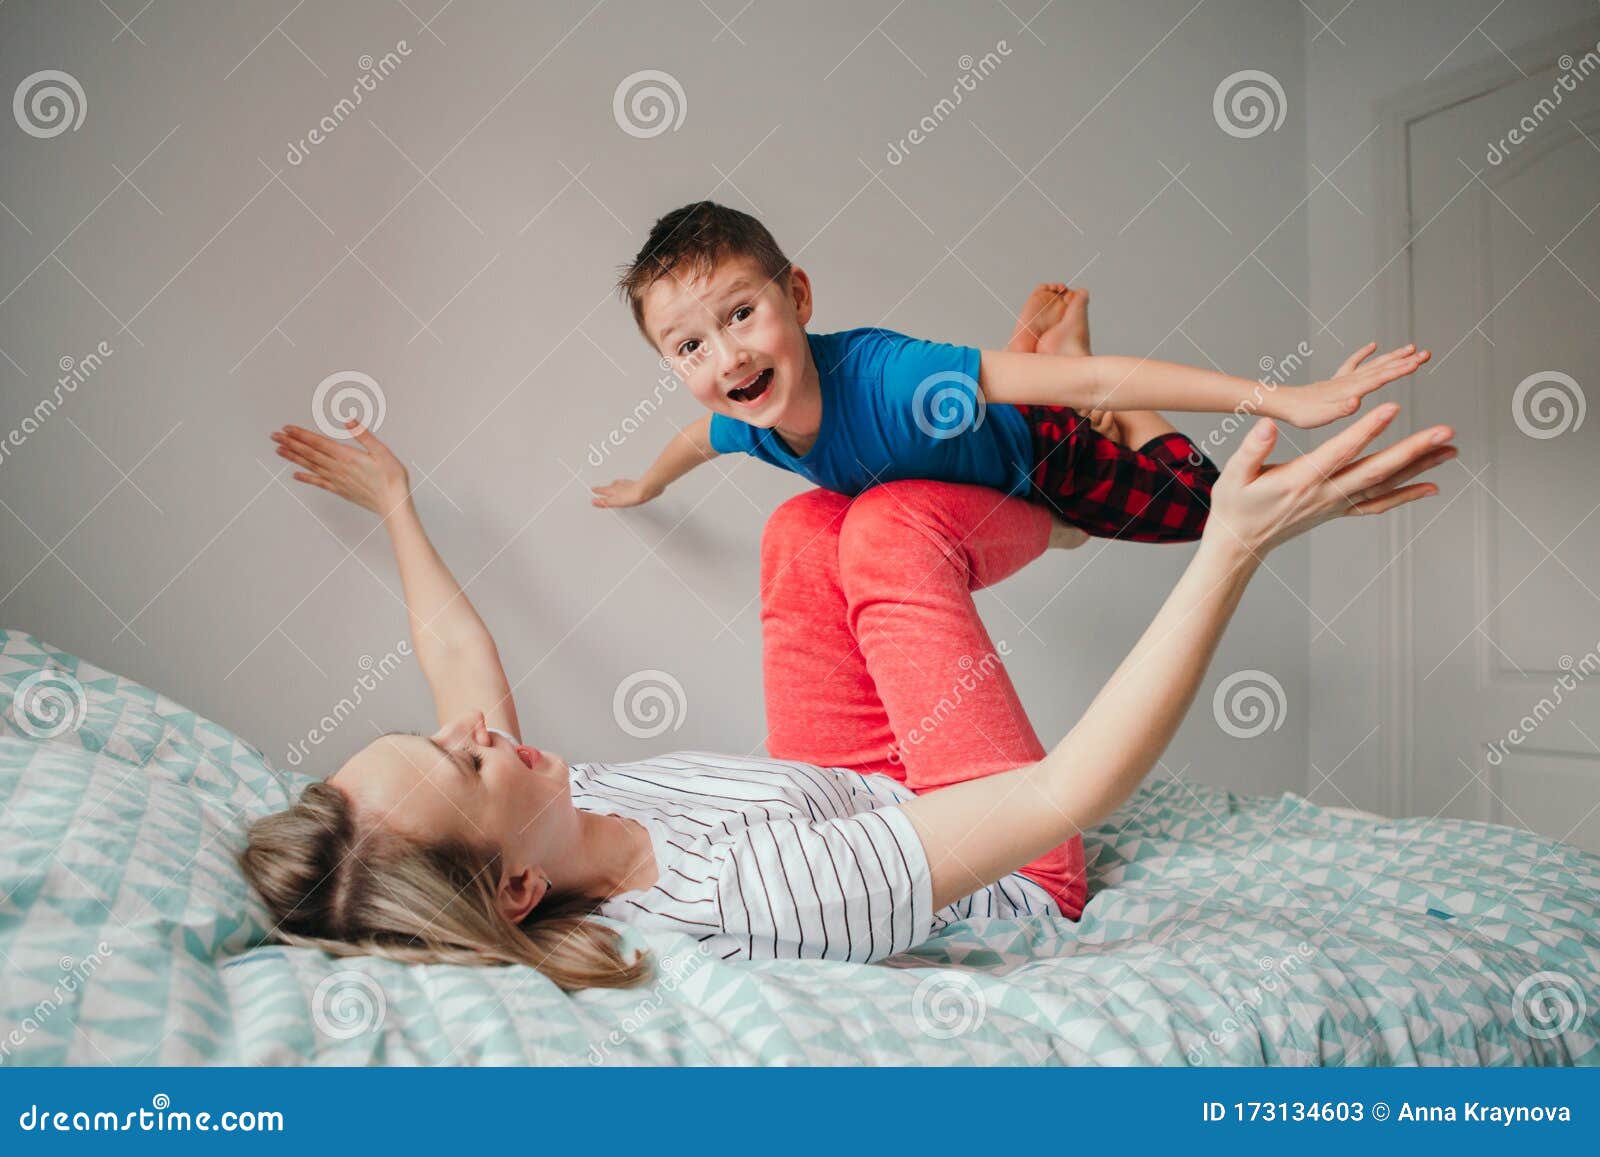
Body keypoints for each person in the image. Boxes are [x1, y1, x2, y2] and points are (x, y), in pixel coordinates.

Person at [245, 400, 1455, 990]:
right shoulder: (742, 894)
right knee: (886, 535)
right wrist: (1227, 546)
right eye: (463, 760)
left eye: (433, 732)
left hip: (853, 793)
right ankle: (1083, 505)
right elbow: (1067, 788)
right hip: (1004, 863)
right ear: (513, 887)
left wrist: (398, 503)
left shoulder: (551, 810)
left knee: (805, 525)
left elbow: (462, 668)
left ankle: (1048, 487)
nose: (474, 728)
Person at [590, 201, 1430, 546]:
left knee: (1200, 510)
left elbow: (1101, 382)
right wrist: (647, 487)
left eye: (741, 313)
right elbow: (693, 439)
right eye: (689, 347)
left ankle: (1049, 358)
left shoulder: (892, 379)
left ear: (798, 296)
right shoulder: (747, 419)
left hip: (1041, 450)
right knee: (1010, 398)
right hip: (992, 429)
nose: (727, 356)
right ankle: (1037, 351)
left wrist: (1287, 397)